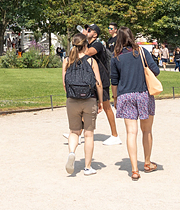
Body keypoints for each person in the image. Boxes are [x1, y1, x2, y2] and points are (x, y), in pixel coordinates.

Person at [110, 26, 160, 180]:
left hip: (125, 95)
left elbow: (114, 80)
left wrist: (115, 97)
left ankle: (134, 169)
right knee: (147, 130)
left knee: (131, 132)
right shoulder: (142, 52)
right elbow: (155, 71)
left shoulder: (116, 57)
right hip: (143, 93)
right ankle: (146, 162)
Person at [62, 33, 103, 176]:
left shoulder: (67, 60)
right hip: (89, 99)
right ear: (85, 45)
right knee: (89, 134)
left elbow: (64, 83)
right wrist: (100, 101)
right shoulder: (91, 61)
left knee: (74, 131)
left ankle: (72, 152)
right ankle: (87, 167)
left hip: (72, 99)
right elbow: (98, 83)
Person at [80, 24, 122, 145]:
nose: (86, 31)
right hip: (91, 79)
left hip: (101, 80)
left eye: (89, 30)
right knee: (86, 106)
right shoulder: (87, 43)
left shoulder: (97, 44)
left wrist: (82, 38)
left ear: (95, 34)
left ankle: (115, 135)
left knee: (107, 107)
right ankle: (77, 133)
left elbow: (86, 53)